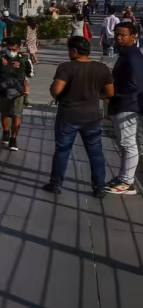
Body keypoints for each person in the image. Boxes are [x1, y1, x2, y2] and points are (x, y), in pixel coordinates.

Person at [43, 37, 114, 197]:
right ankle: (99, 188)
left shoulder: (66, 67)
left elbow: (57, 90)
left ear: (74, 50)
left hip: (68, 115)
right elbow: (110, 92)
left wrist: (52, 89)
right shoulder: (101, 68)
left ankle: (56, 184)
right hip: (92, 116)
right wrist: (95, 96)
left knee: (62, 151)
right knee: (95, 152)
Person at [105, 22, 143, 195]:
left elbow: (135, 85)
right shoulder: (126, 54)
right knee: (124, 143)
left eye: (123, 35)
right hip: (122, 104)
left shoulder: (133, 57)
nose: (119, 37)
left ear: (133, 37)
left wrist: (112, 93)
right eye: (117, 34)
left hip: (128, 105)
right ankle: (123, 177)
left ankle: (127, 182)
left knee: (128, 143)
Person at [0, 38, 31, 151]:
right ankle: (6, 132)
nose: (11, 51)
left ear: (19, 48)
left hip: (18, 93)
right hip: (3, 91)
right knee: (4, 114)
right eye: (9, 48)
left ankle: (13, 139)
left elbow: (30, 72)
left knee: (16, 115)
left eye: (13, 49)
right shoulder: (0, 57)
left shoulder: (24, 58)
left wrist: (21, 63)